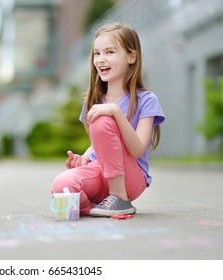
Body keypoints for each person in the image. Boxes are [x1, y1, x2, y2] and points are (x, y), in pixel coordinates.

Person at [51, 23, 165, 217]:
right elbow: (101, 143)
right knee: (62, 186)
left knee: (103, 117)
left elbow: (137, 150)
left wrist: (115, 112)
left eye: (109, 52)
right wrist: (85, 157)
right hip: (99, 171)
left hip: (130, 177)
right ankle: (97, 205)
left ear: (131, 57)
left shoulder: (146, 100)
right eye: (97, 53)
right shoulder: (93, 101)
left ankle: (120, 198)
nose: (101, 60)